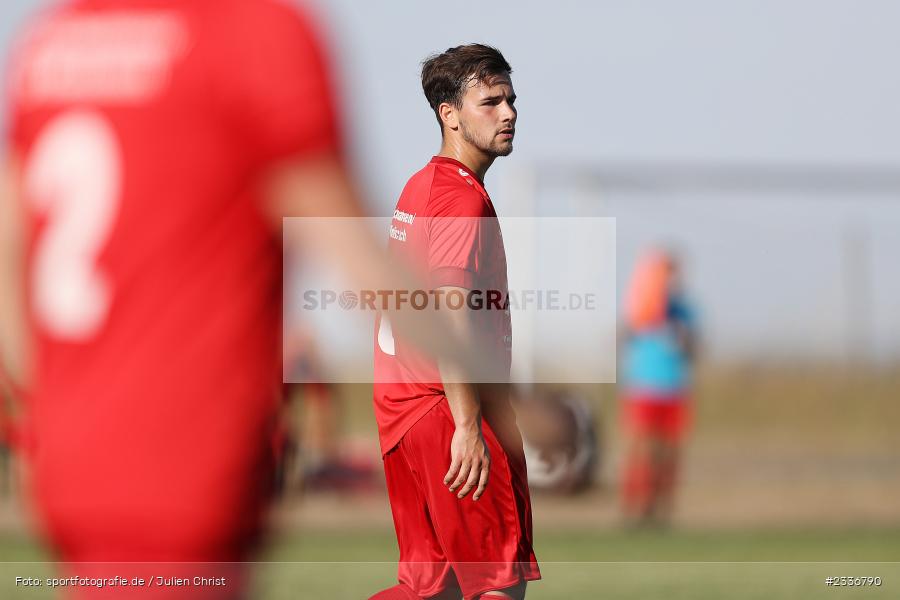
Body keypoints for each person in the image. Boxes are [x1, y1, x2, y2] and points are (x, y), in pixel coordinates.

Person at [0, 1, 474, 597]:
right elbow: (355, 259)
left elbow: (10, 258)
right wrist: (500, 399)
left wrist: (50, 415)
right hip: (183, 460)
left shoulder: (52, 40)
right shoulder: (252, 35)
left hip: (72, 466)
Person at [371, 44, 540, 600]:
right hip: (447, 412)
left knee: (432, 589)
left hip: (403, 413)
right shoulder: (460, 200)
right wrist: (468, 425)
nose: (508, 113)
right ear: (450, 114)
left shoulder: (421, 185)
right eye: (490, 102)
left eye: (510, 100)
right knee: (497, 584)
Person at [619, 248, 698, 527]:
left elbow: (694, 349)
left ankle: (662, 509)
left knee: (669, 451)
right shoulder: (641, 306)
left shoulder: (685, 311)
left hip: (674, 388)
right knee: (642, 450)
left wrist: (681, 334)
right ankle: (636, 508)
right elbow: (623, 335)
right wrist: (644, 315)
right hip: (643, 388)